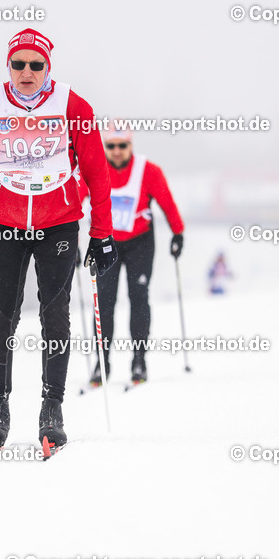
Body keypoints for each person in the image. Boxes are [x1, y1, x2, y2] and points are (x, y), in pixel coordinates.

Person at [0, 28, 118, 453]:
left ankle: (52, 409)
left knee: (55, 316)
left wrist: (102, 234)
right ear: (9, 66)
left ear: (48, 68)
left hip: (58, 223)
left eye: (35, 65)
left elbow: (97, 173)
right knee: (2, 315)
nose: (27, 73)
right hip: (5, 223)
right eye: (18, 64)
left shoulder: (73, 106)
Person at [77, 123, 185, 385]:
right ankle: (102, 363)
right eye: (110, 146)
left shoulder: (148, 170)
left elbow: (166, 202)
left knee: (138, 297)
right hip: (105, 243)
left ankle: (139, 360)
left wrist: (177, 232)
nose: (116, 151)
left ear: (130, 146)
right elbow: (75, 203)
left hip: (140, 242)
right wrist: (69, 240)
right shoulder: (92, 169)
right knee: (104, 302)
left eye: (121, 146)